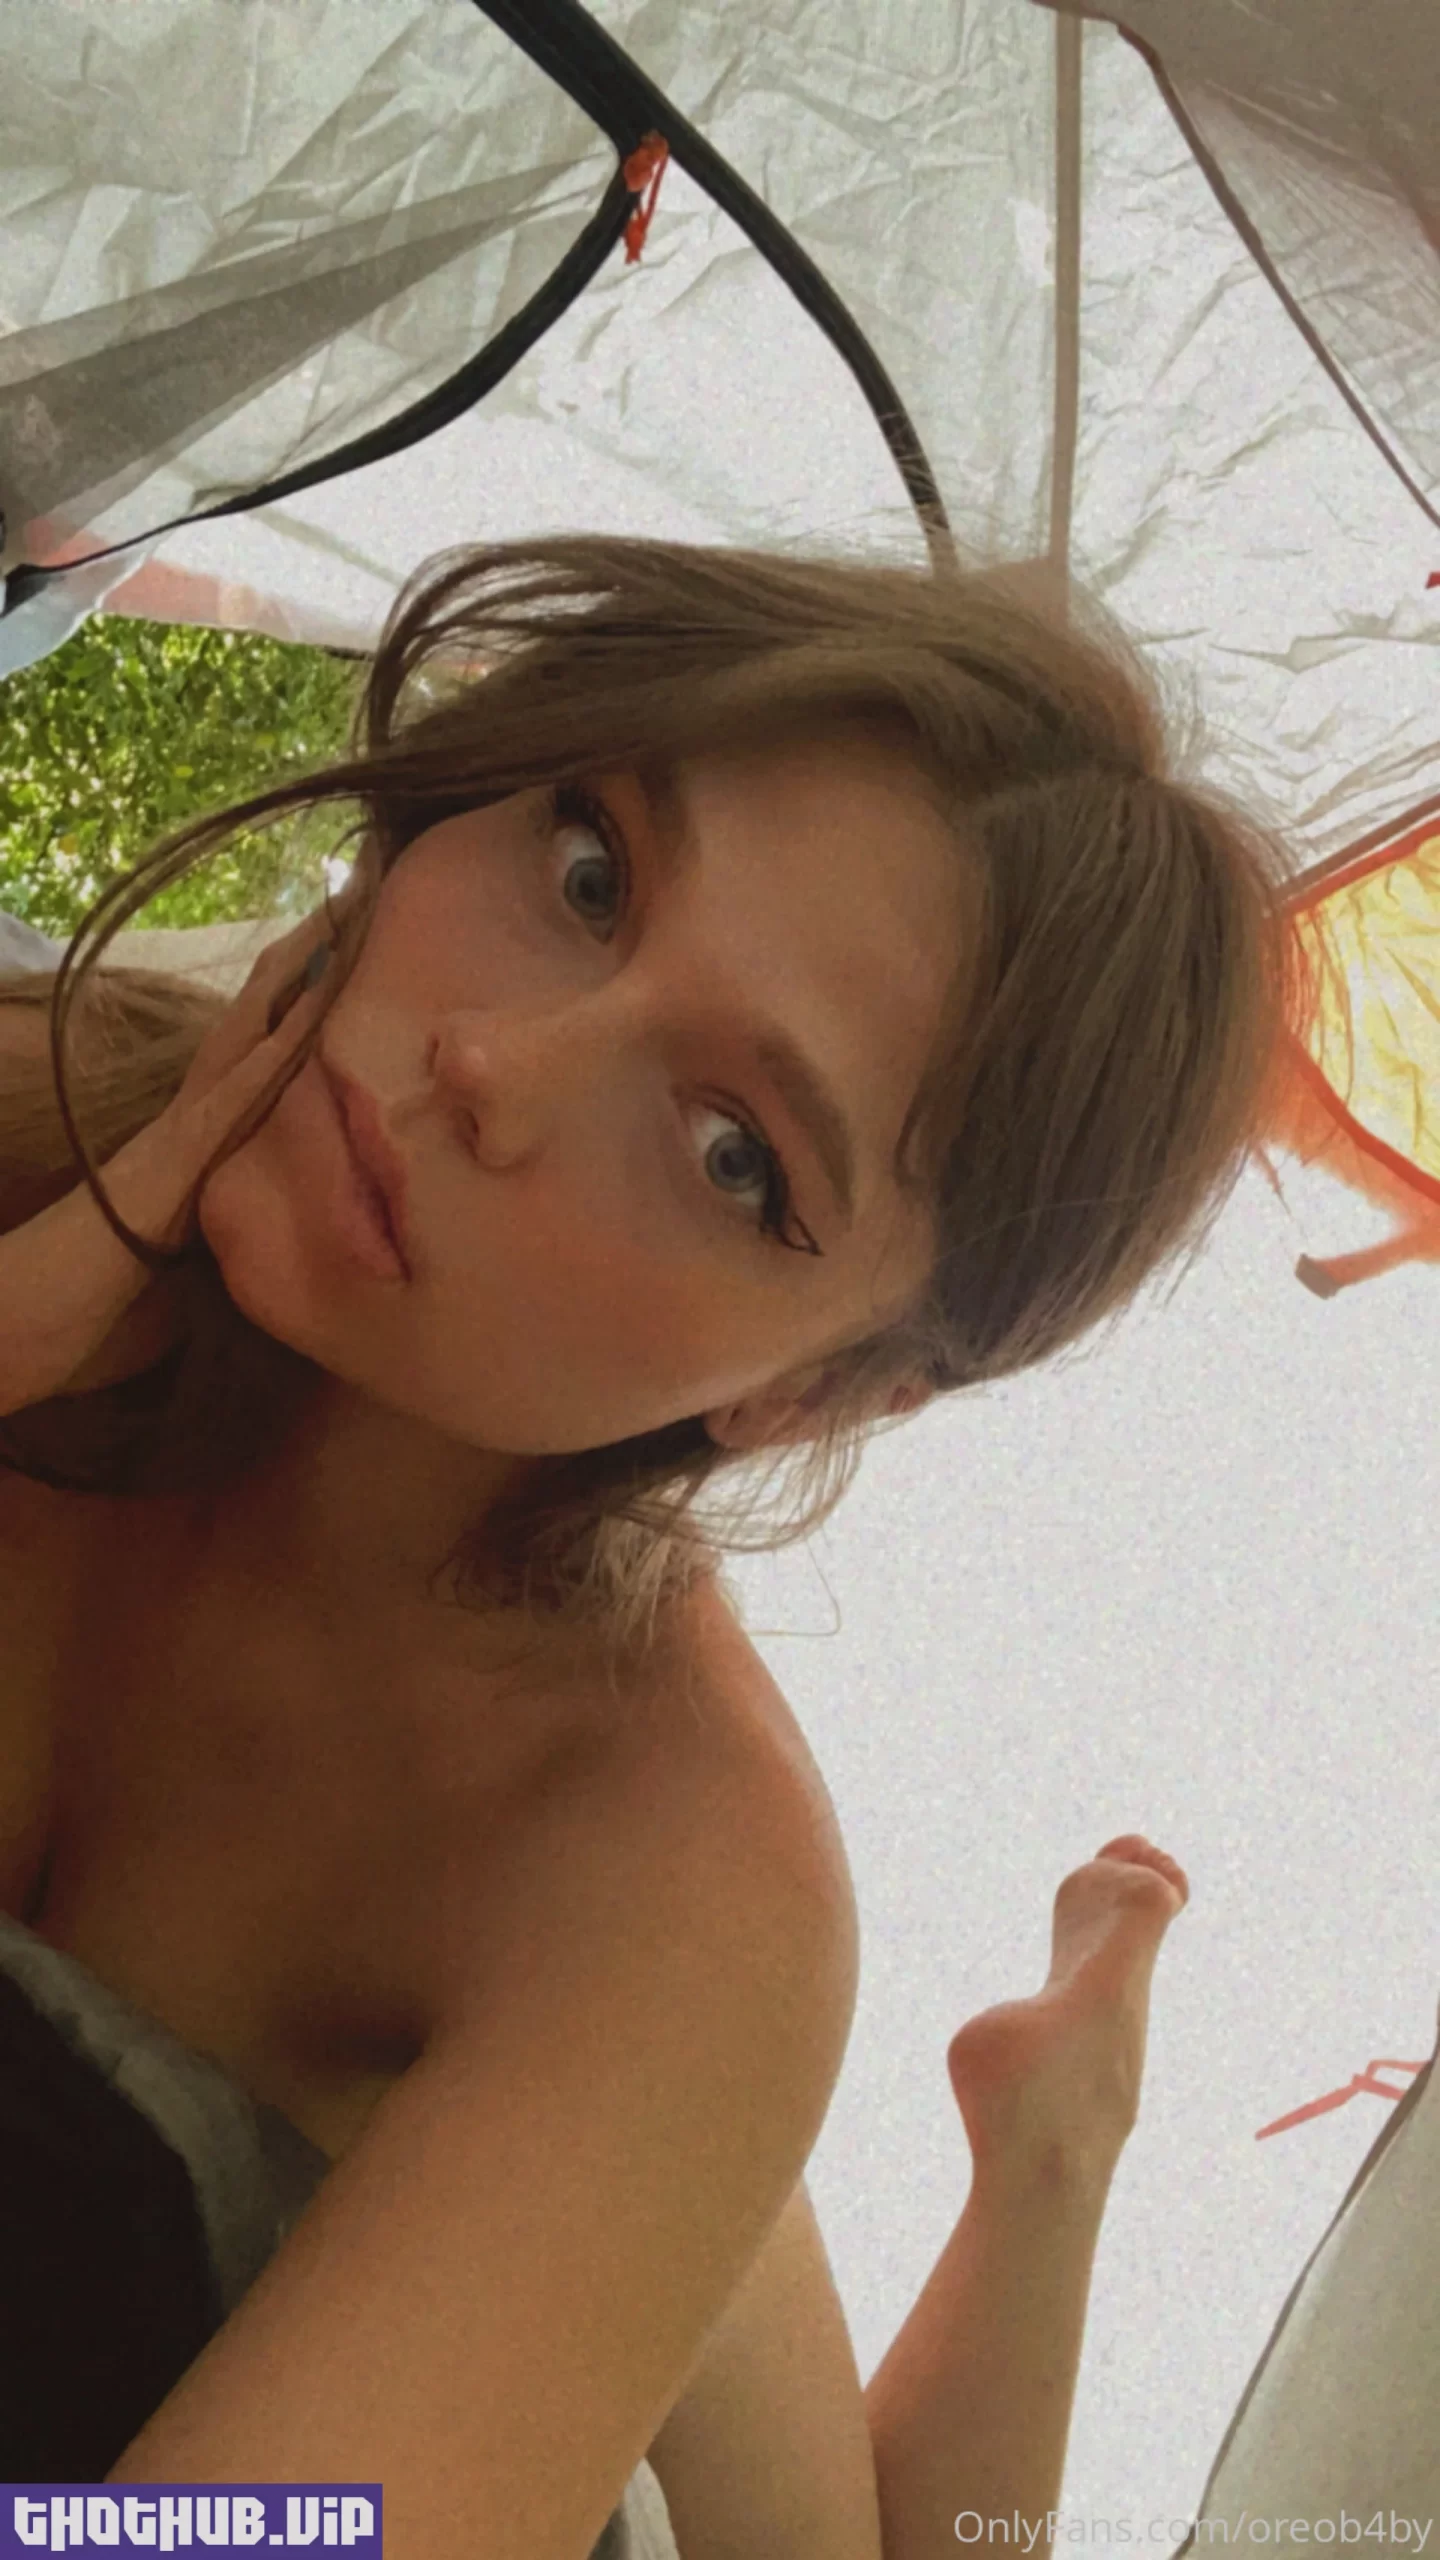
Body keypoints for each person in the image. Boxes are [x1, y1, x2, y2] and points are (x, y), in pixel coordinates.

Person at [0, 531, 1314, 2546]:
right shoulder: (39, 1122)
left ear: (817, 1395)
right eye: (592, 867)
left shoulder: (666, 1867)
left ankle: (1049, 2153)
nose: (491, 1066)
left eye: (733, 1155)